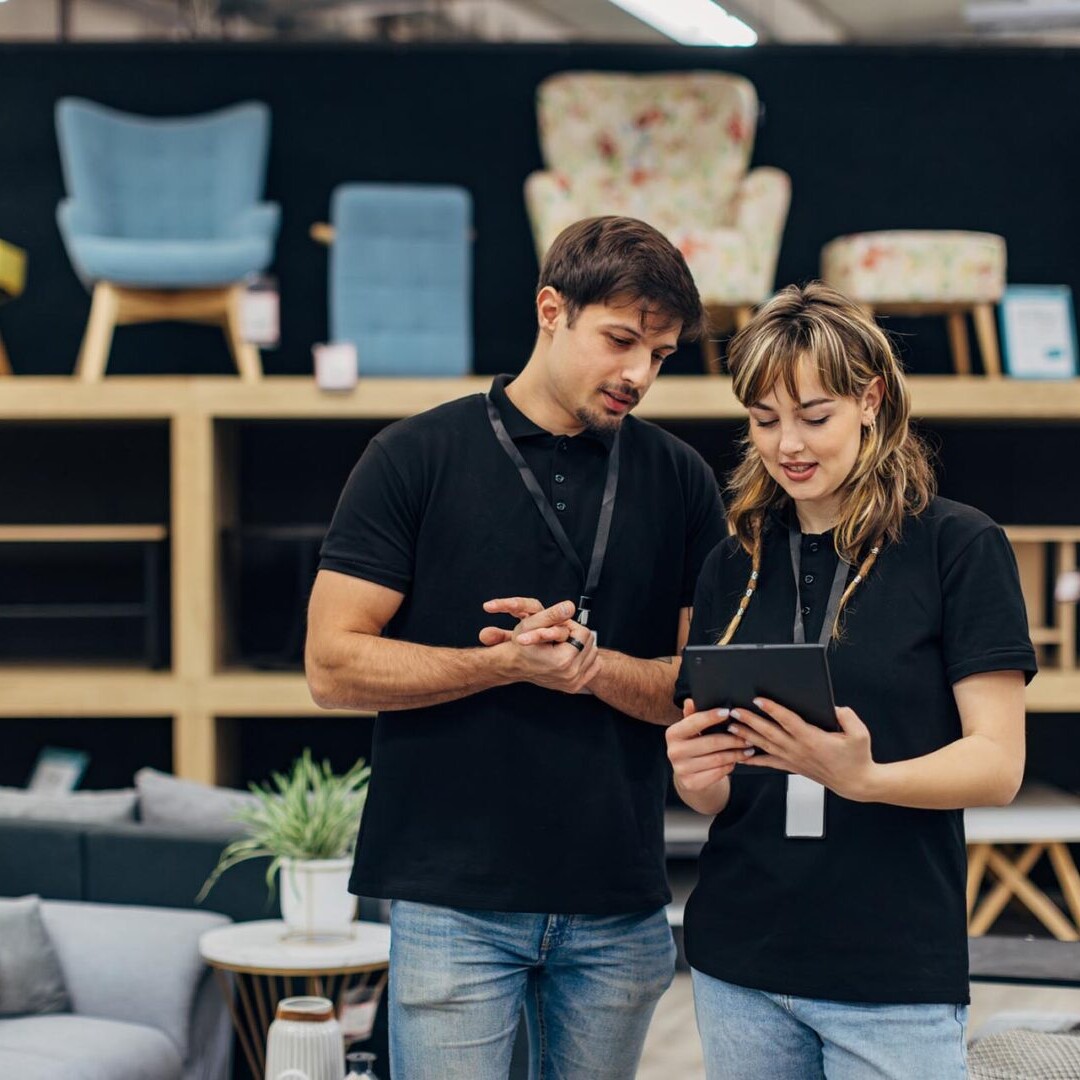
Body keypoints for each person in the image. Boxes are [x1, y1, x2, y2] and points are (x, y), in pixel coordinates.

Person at [306, 215, 727, 1079]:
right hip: (450, 900)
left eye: (660, 355)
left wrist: (590, 669)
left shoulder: (680, 478)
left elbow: (701, 685)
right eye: (620, 341)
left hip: (617, 902)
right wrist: (501, 664)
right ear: (550, 310)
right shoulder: (413, 455)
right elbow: (332, 665)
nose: (640, 374)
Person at [667, 282, 1037, 1080]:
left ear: (869, 401)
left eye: (814, 416)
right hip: (740, 962)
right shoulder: (734, 560)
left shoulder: (958, 547)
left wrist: (865, 779)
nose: (788, 445)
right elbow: (722, 791)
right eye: (764, 419)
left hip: (891, 969)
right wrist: (695, 778)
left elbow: (999, 764)